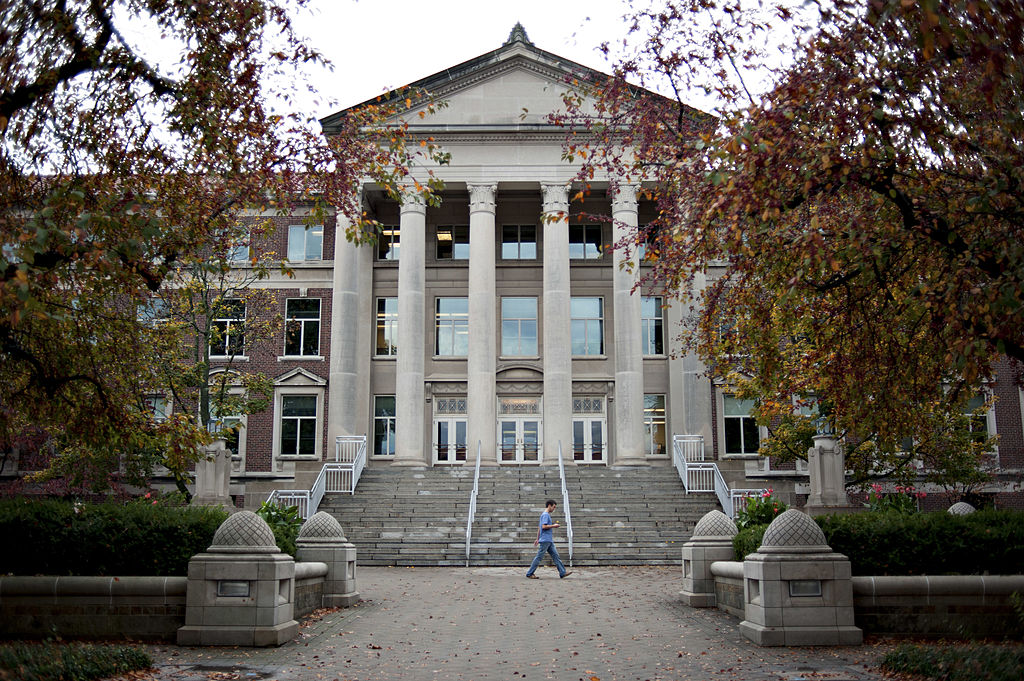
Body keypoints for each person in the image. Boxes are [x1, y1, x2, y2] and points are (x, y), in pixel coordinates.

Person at [525, 499, 572, 579]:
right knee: (539, 557)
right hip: (545, 540)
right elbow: (543, 527)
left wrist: (537, 538)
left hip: (548, 540)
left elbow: (539, 528)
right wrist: (554, 525)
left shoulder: (544, 515)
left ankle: (562, 572)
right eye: (554, 507)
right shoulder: (545, 515)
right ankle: (529, 573)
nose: (554, 509)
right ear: (549, 505)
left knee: (555, 556)